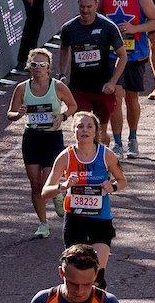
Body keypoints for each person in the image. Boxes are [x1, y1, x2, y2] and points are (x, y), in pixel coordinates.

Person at [43, 109, 125, 278]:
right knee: (76, 274)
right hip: (75, 220)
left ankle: (99, 302)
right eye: (80, 126)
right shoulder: (65, 157)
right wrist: (63, 186)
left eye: (89, 126)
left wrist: (113, 187)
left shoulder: (106, 155)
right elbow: (45, 191)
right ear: (74, 131)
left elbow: (122, 181)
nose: (84, 130)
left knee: (96, 274)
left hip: (100, 219)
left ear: (96, 131)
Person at [8, 49, 76, 236]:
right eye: (34, 65)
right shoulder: (22, 88)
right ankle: (43, 224)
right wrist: (18, 114)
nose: (38, 68)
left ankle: (57, 193)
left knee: (48, 179)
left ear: (49, 68)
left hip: (52, 138)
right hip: (32, 138)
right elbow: (10, 114)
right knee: (35, 184)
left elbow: (73, 106)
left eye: (42, 65)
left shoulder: (58, 86)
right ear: (29, 66)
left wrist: (62, 116)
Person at [99, 0, 155, 156]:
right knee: (115, 97)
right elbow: (96, 18)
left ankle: (133, 138)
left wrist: (134, 27)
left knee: (132, 98)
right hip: (111, 57)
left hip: (136, 55)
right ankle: (117, 142)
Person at [58, 0, 126, 131]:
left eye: (89, 6)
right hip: (79, 87)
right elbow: (64, 49)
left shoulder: (108, 27)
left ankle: (104, 151)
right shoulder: (68, 28)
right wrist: (63, 74)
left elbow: (123, 56)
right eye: (82, 7)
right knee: (82, 128)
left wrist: (113, 82)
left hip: (102, 88)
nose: (85, 11)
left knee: (100, 133)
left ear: (96, 4)